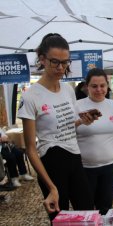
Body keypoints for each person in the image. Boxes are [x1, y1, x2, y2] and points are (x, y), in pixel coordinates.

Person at [17, 33, 95, 221]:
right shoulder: (31, 96)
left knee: (87, 214)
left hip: (74, 157)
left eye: (65, 62)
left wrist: (82, 121)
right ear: (42, 59)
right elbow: (31, 149)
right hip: (51, 162)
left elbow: (66, 126)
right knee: (61, 220)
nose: (61, 68)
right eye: (55, 62)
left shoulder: (68, 89)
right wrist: (51, 187)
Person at [75, 68, 113, 215]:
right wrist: (80, 123)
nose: (99, 89)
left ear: (107, 85)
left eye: (102, 85)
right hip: (83, 168)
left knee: (105, 208)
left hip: (110, 167)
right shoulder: (77, 106)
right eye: (94, 86)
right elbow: (67, 133)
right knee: (84, 209)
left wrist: (106, 141)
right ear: (86, 86)